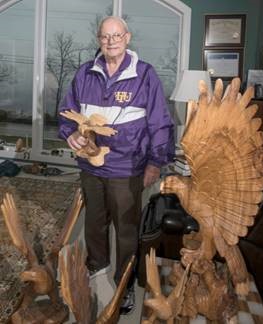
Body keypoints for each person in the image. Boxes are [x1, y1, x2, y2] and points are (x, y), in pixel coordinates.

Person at [58, 16, 174, 314]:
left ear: (127, 37)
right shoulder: (85, 73)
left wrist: (155, 162)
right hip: (91, 167)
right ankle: (97, 276)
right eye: (105, 36)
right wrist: (69, 133)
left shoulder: (145, 75)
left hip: (128, 169)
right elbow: (67, 112)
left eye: (116, 35)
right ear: (99, 39)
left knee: (126, 230)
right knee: (95, 227)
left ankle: (124, 286)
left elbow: (160, 123)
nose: (111, 41)